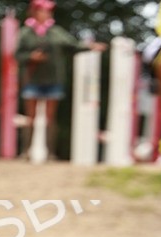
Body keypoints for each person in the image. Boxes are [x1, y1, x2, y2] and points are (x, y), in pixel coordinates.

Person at [15, 0, 103, 161]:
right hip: (32, 79)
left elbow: (73, 45)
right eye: (44, 11)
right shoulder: (25, 33)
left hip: (53, 79)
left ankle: (50, 153)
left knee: (50, 118)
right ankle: (26, 152)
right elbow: (17, 55)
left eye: (49, 11)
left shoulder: (56, 31)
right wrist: (31, 57)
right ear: (34, 12)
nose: (47, 14)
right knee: (31, 117)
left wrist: (90, 47)